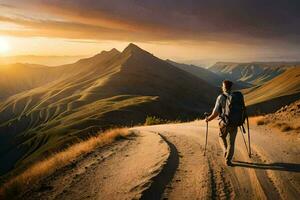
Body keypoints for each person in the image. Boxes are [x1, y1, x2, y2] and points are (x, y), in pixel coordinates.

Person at [205, 80, 239, 166]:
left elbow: (215, 113)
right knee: (232, 142)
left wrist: (208, 119)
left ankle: (225, 150)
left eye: (222, 86)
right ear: (231, 87)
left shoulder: (221, 97)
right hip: (235, 122)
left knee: (221, 136)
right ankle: (228, 160)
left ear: (224, 87)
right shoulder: (236, 97)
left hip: (224, 122)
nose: (221, 87)